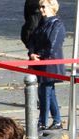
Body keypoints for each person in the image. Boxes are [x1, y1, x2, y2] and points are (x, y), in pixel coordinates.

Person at [27, 0, 66, 131]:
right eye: (40, 7)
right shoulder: (42, 24)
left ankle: (42, 122)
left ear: (52, 7)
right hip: (40, 62)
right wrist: (32, 53)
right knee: (49, 92)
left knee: (45, 92)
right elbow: (31, 39)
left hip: (50, 64)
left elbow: (53, 45)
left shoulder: (57, 25)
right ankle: (57, 120)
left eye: (43, 7)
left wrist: (40, 55)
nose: (41, 10)